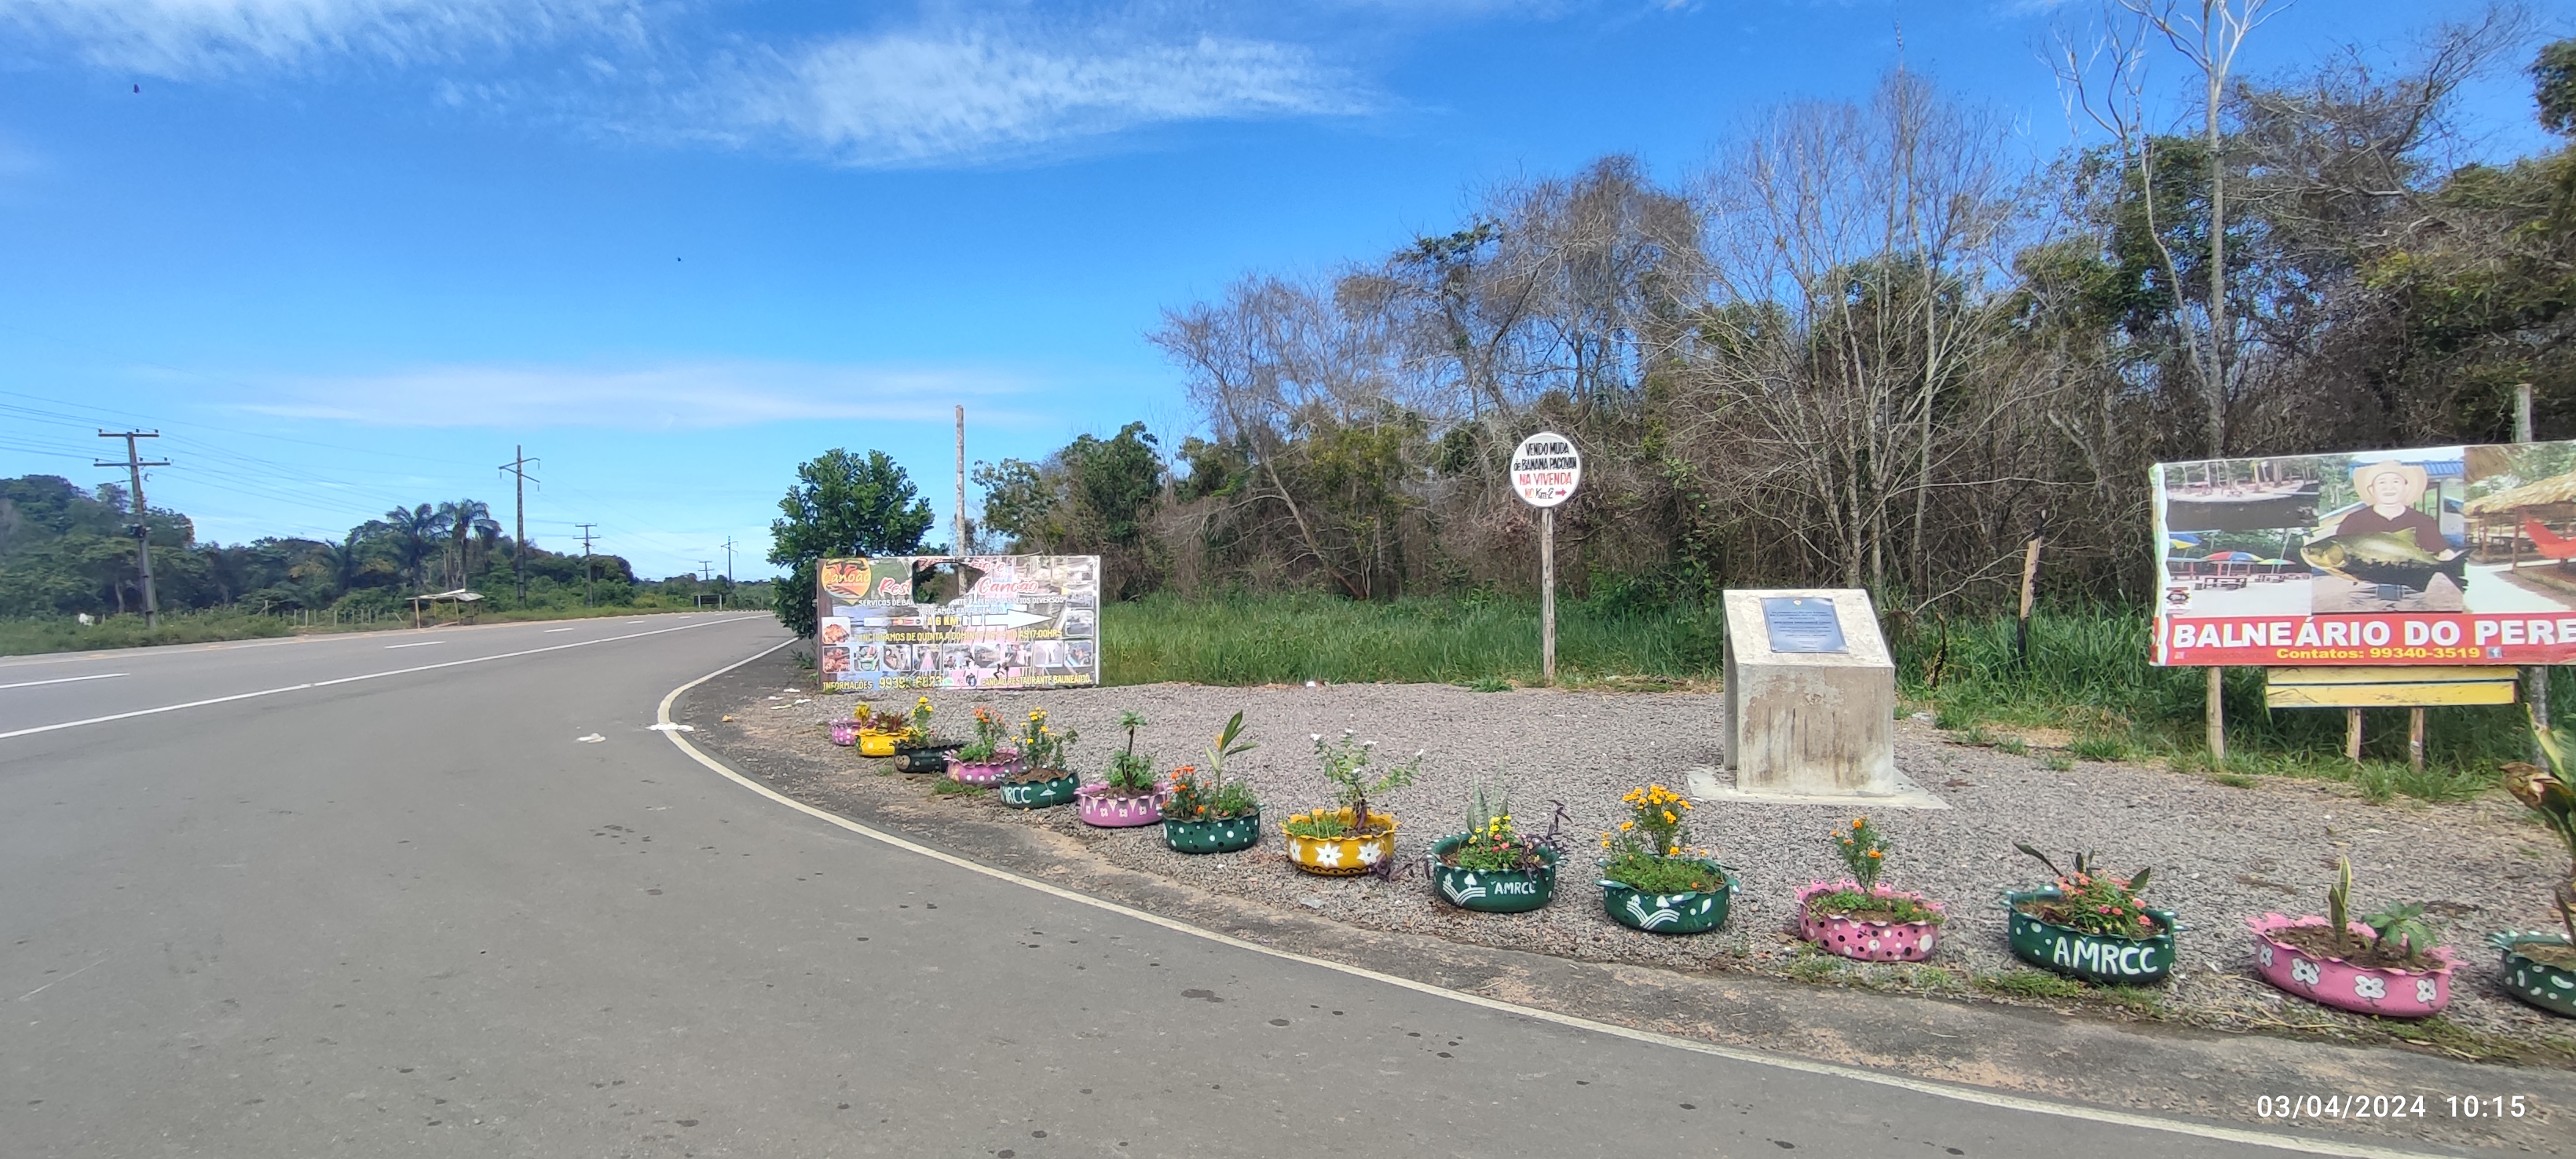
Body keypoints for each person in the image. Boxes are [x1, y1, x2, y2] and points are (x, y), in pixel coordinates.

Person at [2333, 460, 2451, 554]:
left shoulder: (2424, 521)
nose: (2389, 488)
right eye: (2382, 482)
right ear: (2371, 490)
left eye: (2395, 482)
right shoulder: (2354, 521)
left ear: (2406, 488)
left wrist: (2446, 555)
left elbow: (2440, 552)